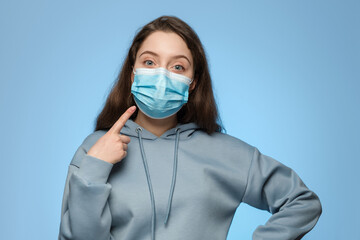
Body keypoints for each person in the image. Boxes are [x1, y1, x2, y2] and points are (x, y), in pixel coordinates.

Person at [58, 16, 322, 240]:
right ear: (132, 72)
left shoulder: (226, 153)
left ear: (192, 82)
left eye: (177, 66)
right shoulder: (95, 149)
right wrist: (95, 167)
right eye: (149, 62)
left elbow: (302, 201)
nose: (162, 76)